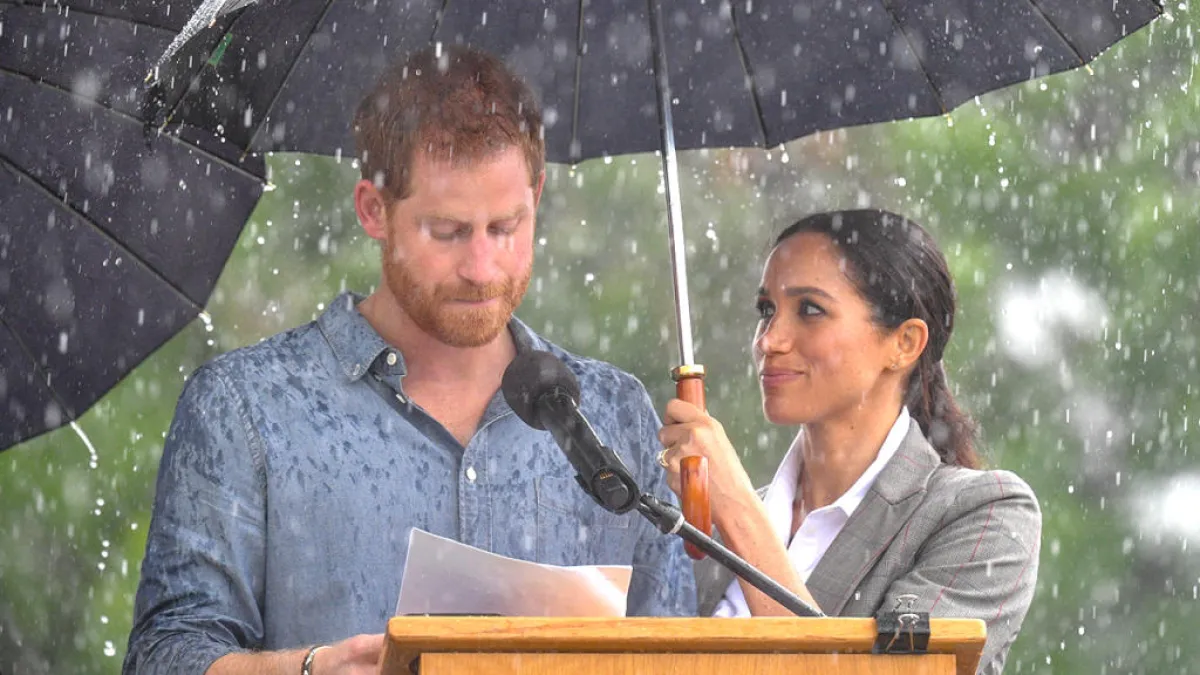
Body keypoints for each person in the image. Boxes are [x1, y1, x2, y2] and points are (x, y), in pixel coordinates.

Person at [123, 44, 696, 675]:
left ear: (537, 194)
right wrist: (307, 670)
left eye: (505, 228)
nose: (482, 268)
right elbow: (163, 656)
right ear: (373, 210)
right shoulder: (245, 408)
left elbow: (681, 657)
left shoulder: (616, 413)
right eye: (448, 232)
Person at [657, 209, 1040, 674]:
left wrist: (737, 510)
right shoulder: (701, 526)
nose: (769, 340)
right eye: (767, 311)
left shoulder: (984, 516)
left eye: (810, 310)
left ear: (904, 343)